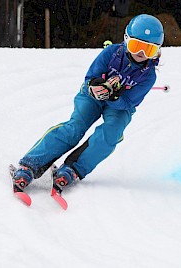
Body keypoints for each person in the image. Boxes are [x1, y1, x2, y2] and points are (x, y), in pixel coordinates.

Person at [12, 14, 164, 193]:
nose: (141, 54)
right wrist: (95, 86)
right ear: (126, 40)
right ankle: (30, 165)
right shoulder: (112, 53)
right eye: (136, 46)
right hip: (92, 97)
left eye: (149, 50)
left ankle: (74, 168)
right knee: (75, 128)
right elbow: (91, 76)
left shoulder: (148, 76)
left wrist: (114, 97)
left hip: (120, 107)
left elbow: (130, 102)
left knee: (111, 134)